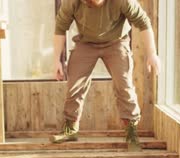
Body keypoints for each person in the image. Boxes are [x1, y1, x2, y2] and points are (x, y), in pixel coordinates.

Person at [50, 0, 160, 149]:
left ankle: (131, 132)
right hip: (86, 43)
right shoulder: (71, 2)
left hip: (116, 42)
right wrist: (56, 59)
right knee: (74, 85)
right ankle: (70, 129)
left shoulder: (123, 1)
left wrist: (152, 53)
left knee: (124, 85)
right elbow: (60, 28)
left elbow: (143, 22)